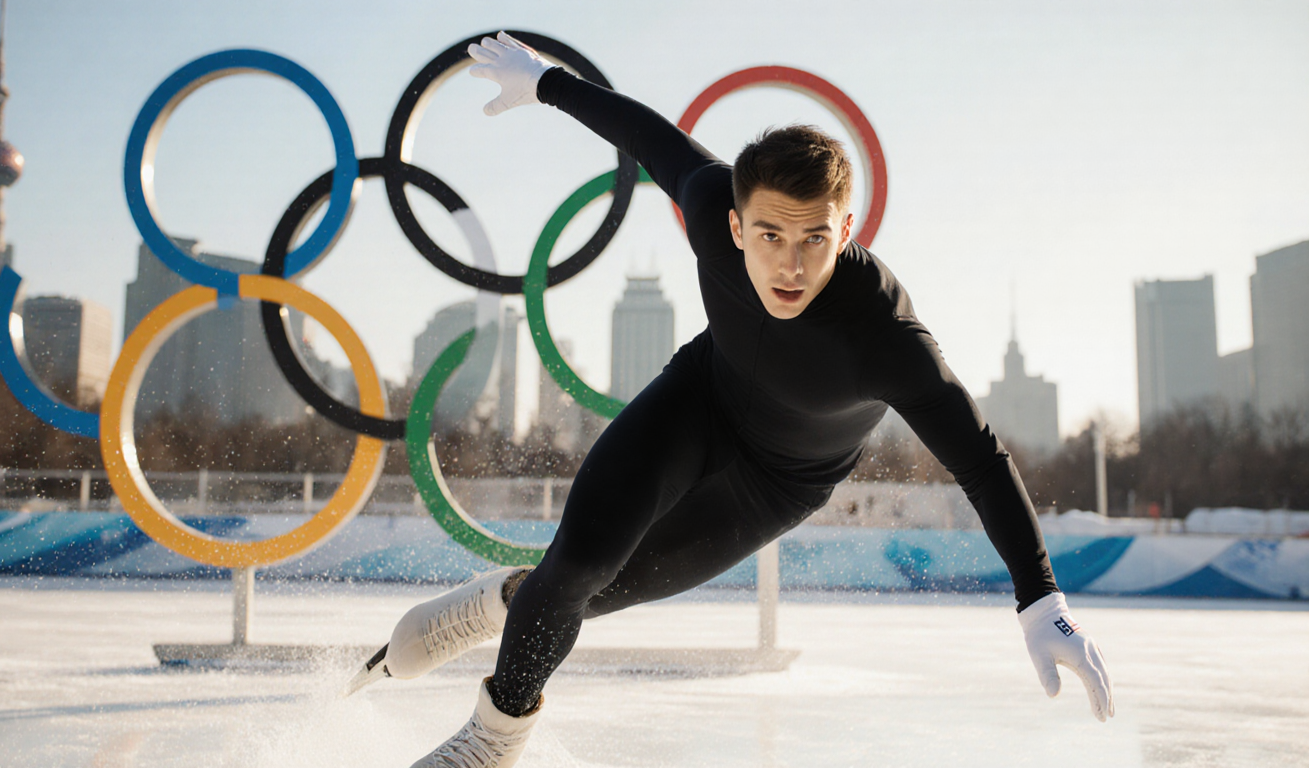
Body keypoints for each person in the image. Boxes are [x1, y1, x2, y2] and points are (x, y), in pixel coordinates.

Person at [347, 32, 1114, 768]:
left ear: (845, 229)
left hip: (777, 485)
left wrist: (1041, 601)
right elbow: (648, 136)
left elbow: (981, 462)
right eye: (770, 235)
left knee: (593, 596)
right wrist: (546, 82)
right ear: (734, 223)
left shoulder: (884, 338)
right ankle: (489, 747)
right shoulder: (713, 206)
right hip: (699, 401)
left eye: (815, 238)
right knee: (578, 562)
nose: (790, 263)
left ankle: (499, 603)